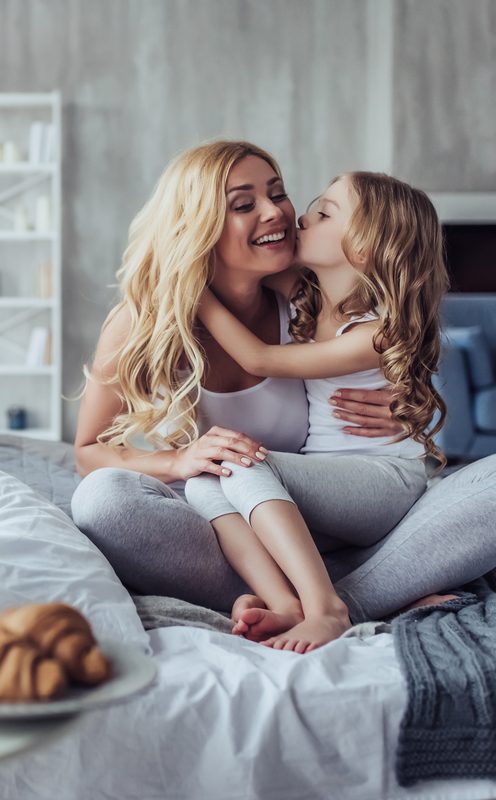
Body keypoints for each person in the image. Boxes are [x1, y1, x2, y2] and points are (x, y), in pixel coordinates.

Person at [71, 140, 496, 626]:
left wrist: (405, 405)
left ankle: (327, 602)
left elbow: (399, 348)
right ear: (197, 225)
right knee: (104, 500)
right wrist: (178, 461)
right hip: (243, 530)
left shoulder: (314, 293)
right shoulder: (142, 323)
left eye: (279, 193)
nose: (279, 213)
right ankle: (348, 592)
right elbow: (88, 452)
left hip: (341, 508)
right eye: (245, 204)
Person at [184, 172, 447, 653]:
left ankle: (327, 608)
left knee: (244, 462)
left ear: (365, 249)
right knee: (205, 476)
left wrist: (194, 293)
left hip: (380, 481)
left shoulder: (375, 332)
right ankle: (284, 601)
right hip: (328, 484)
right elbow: (237, 264)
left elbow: (259, 359)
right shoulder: (308, 294)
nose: (301, 217)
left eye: (324, 213)